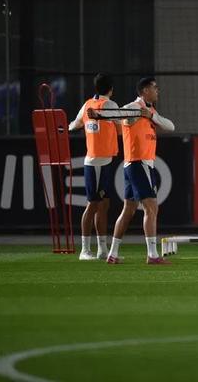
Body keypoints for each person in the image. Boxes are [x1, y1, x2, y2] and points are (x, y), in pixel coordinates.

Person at [91, 77, 175, 265]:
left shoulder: (150, 111)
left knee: (128, 210)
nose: (157, 91)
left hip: (134, 165)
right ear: (145, 91)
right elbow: (119, 114)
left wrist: (150, 115)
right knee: (151, 207)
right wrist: (99, 115)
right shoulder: (133, 108)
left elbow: (171, 126)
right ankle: (152, 255)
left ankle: (113, 254)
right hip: (139, 163)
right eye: (154, 88)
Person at [68, 73, 121, 261]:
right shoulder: (110, 105)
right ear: (111, 89)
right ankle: (84, 250)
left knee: (104, 205)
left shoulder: (87, 105)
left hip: (103, 161)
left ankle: (102, 250)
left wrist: (64, 128)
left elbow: (74, 125)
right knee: (93, 205)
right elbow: (122, 125)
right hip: (96, 162)